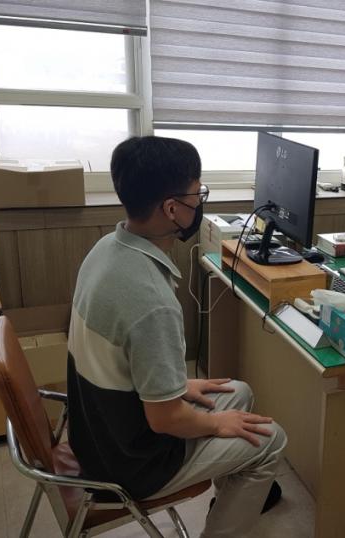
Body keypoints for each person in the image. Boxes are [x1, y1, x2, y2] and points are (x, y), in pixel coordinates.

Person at [67, 136, 287, 537]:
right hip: (132, 464)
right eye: (196, 194)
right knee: (270, 439)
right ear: (171, 209)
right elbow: (165, 418)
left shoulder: (105, 249)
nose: (199, 203)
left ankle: (230, 492)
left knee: (237, 392)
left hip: (96, 433)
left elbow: (120, 363)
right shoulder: (151, 301)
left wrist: (177, 386)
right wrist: (214, 424)